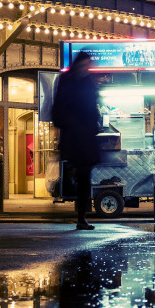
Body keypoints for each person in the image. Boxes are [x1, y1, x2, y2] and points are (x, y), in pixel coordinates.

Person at [51, 52, 101, 230]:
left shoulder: (85, 81)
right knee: (83, 175)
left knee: (84, 177)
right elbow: (58, 107)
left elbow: (93, 106)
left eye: (88, 65)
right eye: (84, 65)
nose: (86, 69)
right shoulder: (68, 80)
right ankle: (81, 217)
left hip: (84, 135)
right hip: (75, 134)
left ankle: (82, 217)